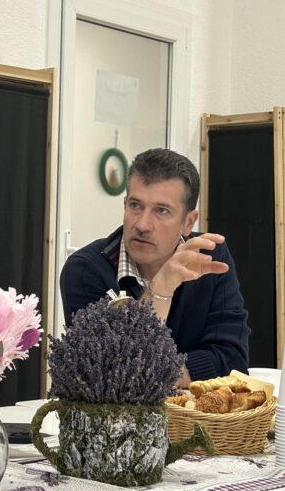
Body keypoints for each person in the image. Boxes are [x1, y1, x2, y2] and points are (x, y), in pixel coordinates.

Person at [60, 148, 249, 386]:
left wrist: (156, 370)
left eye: (161, 210)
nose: (143, 224)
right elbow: (111, 377)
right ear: (125, 204)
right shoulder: (84, 270)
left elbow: (233, 360)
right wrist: (161, 288)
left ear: (188, 222)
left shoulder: (208, 257)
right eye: (136, 205)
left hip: (191, 411)